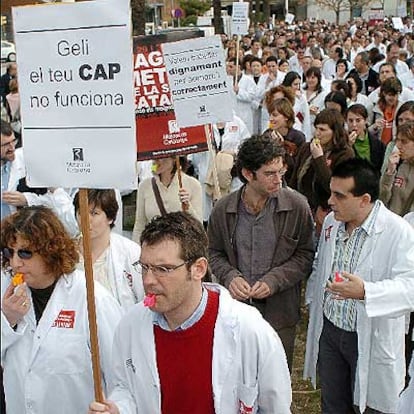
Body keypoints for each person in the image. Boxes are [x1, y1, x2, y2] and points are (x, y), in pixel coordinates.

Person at [88, 212, 292, 414]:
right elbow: (125, 388)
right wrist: (118, 409)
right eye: (144, 267)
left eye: (163, 269)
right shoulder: (131, 325)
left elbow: (276, 406)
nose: (148, 280)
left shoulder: (250, 330)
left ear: (198, 269)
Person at [304, 158, 414, 414]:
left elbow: (410, 287)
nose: (330, 202)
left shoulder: (398, 232)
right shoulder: (332, 223)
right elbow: (322, 264)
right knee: (333, 403)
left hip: (368, 335)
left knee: (369, 406)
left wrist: (366, 292)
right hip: (331, 331)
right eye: (331, 193)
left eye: (339, 196)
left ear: (364, 199)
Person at [208, 134, 315, 371]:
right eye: (270, 174)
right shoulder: (223, 210)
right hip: (236, 313)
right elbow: (214, 253)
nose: (278, 179)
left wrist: (275, 280)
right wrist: (230, 276)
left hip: (280, 315)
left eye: (281, 171)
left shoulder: (297, 206)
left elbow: (306, 255)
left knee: (276, 380)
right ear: (248, 174)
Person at [1, 206, 122, 414]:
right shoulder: (6, 290)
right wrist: (6, 320)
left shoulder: (92, 299)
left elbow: (121, 375)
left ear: (50, 251)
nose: (15, 262)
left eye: (25, 253)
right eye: (8, 252)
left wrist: (115, 409)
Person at [73, 189, 144, 310]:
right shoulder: (66, 252)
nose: (86, 219)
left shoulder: (129, 251)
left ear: (110, 217)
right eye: (81, 212)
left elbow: (143, 297)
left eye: (94, 213)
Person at [290, 109, 355, 235]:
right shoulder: (306, 148)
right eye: (316, 128)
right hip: (301, 210)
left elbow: (334, 187)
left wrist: (319, 159)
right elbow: (295, 179)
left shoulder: (345, 154)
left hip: (325, 214)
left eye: (322, 130)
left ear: (334, 132)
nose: (317, 133)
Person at [132, 156, 202, 243]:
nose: (155, 161)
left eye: (160, 157)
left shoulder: (193, 184)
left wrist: (188, 206)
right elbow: (139, 225)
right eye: (154, 157)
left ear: (174, 158)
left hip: (181, 249)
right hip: (154, 247)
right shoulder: (145, 186)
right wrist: (137, 251)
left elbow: (199, 226)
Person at [379, 121, 414, 216]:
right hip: (390, 223)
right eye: (397, 140)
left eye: (404, 141)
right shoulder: (400, 165)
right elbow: (382, 200)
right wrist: (389, 172)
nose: (398, 145)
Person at [346, 104, 385, 173]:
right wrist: (348, 147)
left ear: (365, 120)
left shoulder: (378, 144)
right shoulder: (342, 142)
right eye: (350, 121)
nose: (354, 124)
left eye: (358, 120)